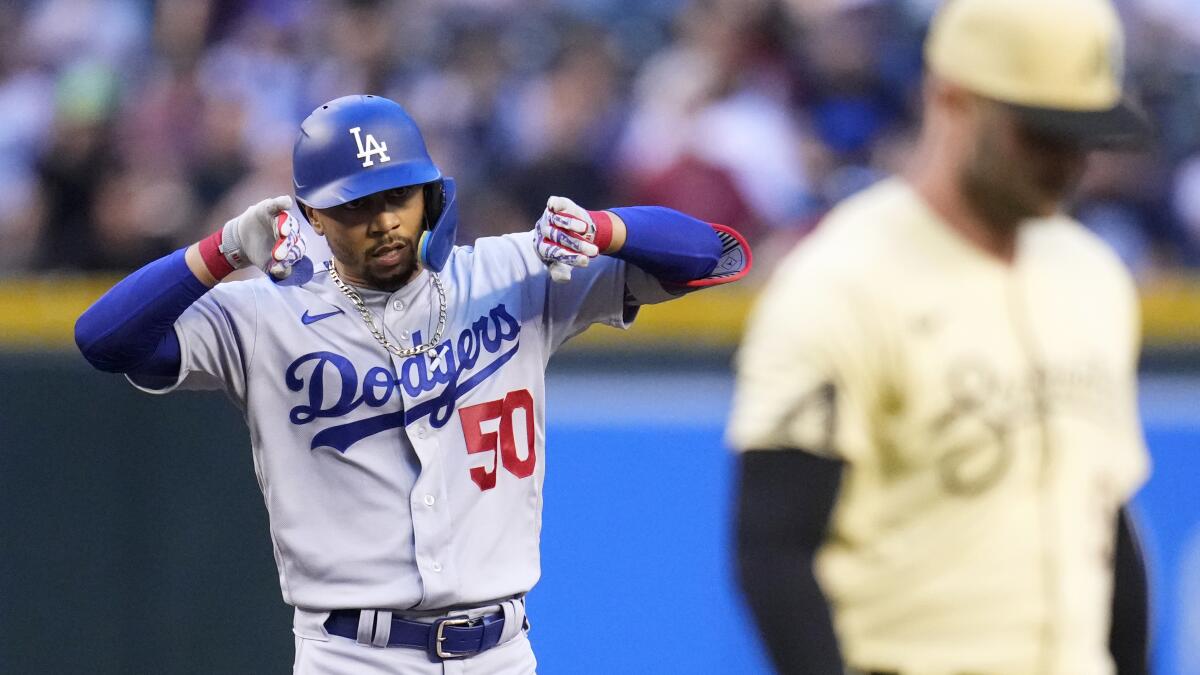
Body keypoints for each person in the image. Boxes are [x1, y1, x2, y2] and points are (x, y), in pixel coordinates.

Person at [75, 93, 751, 673]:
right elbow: (104, 340)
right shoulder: (264, 315)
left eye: (399, 195)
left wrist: (607, 228)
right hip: (351, 654)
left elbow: (713, 254)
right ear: (312, 217)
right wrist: (219, 250)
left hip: (501, 650)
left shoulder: (512, 272)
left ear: (431, 192)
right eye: (358, 205)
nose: (386, 220)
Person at [726, 0, 1152, 673]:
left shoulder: (1094, 275)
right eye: (1040, 132)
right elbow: (774, 551)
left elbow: (1105, 520)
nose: (1067, 161)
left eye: (1083, 135)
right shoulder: (840, 281)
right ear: (952, 99)